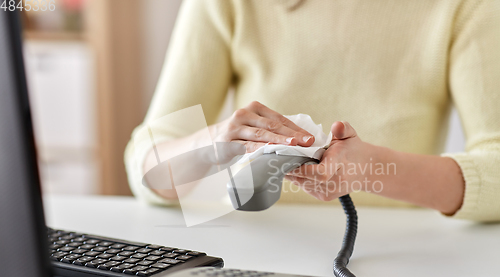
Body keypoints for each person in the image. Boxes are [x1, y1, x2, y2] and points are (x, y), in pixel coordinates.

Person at [125, 0, 500, 221]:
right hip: (252, 256)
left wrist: (370, 169)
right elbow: (147, 166)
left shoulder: (467, 6)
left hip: (404, 259)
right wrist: (215, 142)